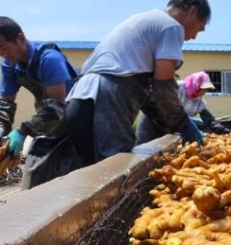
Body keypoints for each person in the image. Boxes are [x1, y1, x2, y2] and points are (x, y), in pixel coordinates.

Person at [65, 0, 211, 168]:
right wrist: (183, 124)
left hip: (80, 103)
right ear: (192, 11)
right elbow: (163, 87)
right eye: (199, 29)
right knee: (116, 175)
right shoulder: (171, 27)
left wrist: (174, 123)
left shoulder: (145, 20)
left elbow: (148, 95)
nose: (194, 37)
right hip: (105, 106)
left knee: (94, 176)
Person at [0, 16, 79, 188]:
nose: (3, 54)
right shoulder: (9, 65)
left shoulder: (49, 59)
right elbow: (6, 103)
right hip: (48, 124)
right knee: (35, 178)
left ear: (20, 38)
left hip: (77, 121)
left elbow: (58, 107)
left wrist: (23, 131)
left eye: (4, 48)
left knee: (72, 179)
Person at [136, 71, 230, 144]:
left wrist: (220, 129)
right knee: (145, 148)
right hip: (153, 121)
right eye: (203, 89)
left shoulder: (198, 100)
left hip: (172, 125)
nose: (203, 92)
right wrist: (184, 123)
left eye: (206, 90)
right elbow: (165, 104)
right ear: (196, 84)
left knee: (162, 150)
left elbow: (208, 119)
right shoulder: (177, 87)